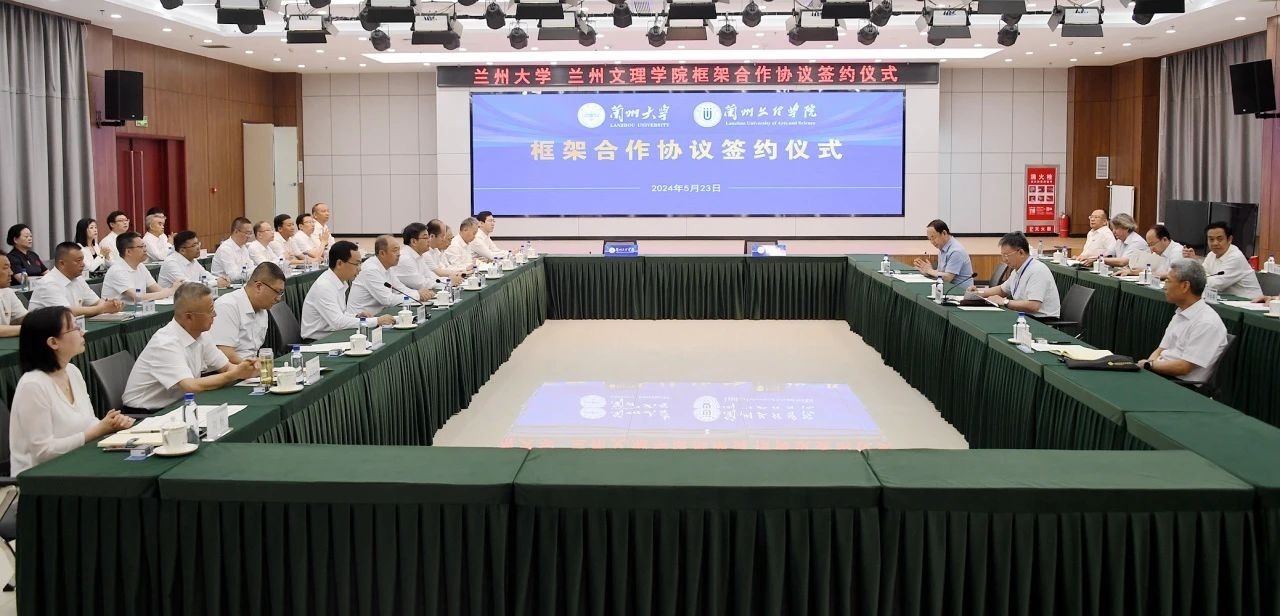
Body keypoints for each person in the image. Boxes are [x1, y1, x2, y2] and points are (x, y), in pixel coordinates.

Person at [9, 306, 134, 475]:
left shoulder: (72, 371)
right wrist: (97, 431)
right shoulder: (33, 385)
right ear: (53, 342)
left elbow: (88, 422)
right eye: (75, 328)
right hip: (41, 478)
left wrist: (111, 424)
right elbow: (43, 452)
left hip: (79, 463)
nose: (82, 332)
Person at [121, 283, 258, 411]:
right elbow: (191, 386)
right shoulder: (165, 343)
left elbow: (226, 367)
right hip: (144, 414)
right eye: (210, 311)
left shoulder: (201, 334)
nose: (215, 315)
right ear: (189, 317)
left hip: (180, 404)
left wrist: (250, 369)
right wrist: (235, 374)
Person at [1138, 260, 1229, 382]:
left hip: (1180, 383)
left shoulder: (1206, 322)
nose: (1164, 287)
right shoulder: (1181, 312)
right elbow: (1161, 349)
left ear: (1185, 286)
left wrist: (1149, 365)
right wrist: (1150, 365)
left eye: (1168, 281)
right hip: (1161, 373)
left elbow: (1183, 367)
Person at [300, 241, 395, 341]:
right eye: (356, 264)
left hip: (332, 335)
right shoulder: (324, 286)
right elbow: (338, 322)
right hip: (316, 342)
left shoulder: (338, 281)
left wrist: (356, 316)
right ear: (339, 263)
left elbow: (339, 315)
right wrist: (377, 321)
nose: (359, 269)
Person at [969, 232, 1061, 319]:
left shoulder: (1037, 270)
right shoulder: (1018, 269)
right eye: (1002, 255)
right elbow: (1002, 290)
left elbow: (1033, 305)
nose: (1004, 260)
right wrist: (978, 293)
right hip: (1024, 317)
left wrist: (1005, 301)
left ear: (1021, 252)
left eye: (1006, 255)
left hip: (1041, 321)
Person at [208, 262, 285, 363]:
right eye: (277, 292)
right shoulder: (227, 306)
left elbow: (253, 351)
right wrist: (255, 368)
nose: (279, 298)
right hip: (231, 369)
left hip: (249, 367)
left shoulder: (263, 310)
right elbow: (225, 355)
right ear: (259, 286)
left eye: (281, 293)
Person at [26, 243, 123, 317]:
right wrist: (101, 308)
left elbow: (96, 302)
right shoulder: (48, 284)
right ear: (62, 263)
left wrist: (109, 305)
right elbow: (67, 312)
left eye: (83, 260)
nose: (83, 264)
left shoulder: (78, 279)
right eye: (78, 261)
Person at [349, 235, 434, 315]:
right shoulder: (371, 270)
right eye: (395, 250)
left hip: (377, 316)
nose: (399, 254)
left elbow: (400, 289)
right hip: (361, 320)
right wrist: (417, 295)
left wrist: (420, 293)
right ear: (382, 253)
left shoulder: (388, 267)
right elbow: (387, 300)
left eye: (399, 250)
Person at [1182, 221, 1264, 300]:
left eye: (1219, 239)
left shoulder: (1236, 257)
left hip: (1250, 302)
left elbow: (1216, 285)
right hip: (1227, 300)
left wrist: (1199, 278)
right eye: (1211, 239)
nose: (1215, 243)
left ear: (1229, 239)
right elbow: (1202, 274)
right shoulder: (1211, 255)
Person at [103, 232, 179, 302]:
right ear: (128, 252)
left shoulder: (141, 266)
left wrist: (172, 290)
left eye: (145, 246)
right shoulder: (117, 270)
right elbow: (137, 297)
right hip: (119, 311)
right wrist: (170, 291)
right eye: (141, 247)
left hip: (137, 309)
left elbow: (157, 289)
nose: (145, 250)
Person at [912, 219, 974, 287]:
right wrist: (926, 271)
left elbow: (947, 278)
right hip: (948, 289)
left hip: (961, 291)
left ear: (944, 233)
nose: (932, 242)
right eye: (930, 239)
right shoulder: (943, 248)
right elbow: (940, 274)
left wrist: (930, 270)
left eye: (934, 237)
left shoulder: (956, 251)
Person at [160, 231, 227, 288]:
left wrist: (220, 279)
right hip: (172, 298)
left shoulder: (192, 260)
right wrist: (216, 282)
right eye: (194, 245)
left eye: (198, 243)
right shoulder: (171, 263)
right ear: (182, 250)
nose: (198, 247)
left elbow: (205, 275)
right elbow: (188, 285)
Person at [1081, 213, 1147, 269]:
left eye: (1116, 228)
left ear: (1126, 227)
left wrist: (1098, 259)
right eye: (1113, 229)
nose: (1113, 231)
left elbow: (1123, 262)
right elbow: (1107, 255)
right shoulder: (1119, 241)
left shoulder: (1137, 242)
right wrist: (1089, 258)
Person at [1119, 224, 1184, 277]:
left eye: (1152, 244)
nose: (1151, 248)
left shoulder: (1177, 251)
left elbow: (1172, 274)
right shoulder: (1157, 252)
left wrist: (1143, 273)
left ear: (1164, 239)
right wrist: (1132, 270)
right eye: (1149, 245)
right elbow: (1149, 269)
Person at [0, 258, 28, 337]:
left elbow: (24, 317)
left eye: (10, 267)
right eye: (5, 268)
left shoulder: (7, 291)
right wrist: (28, 329)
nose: (11, 273)